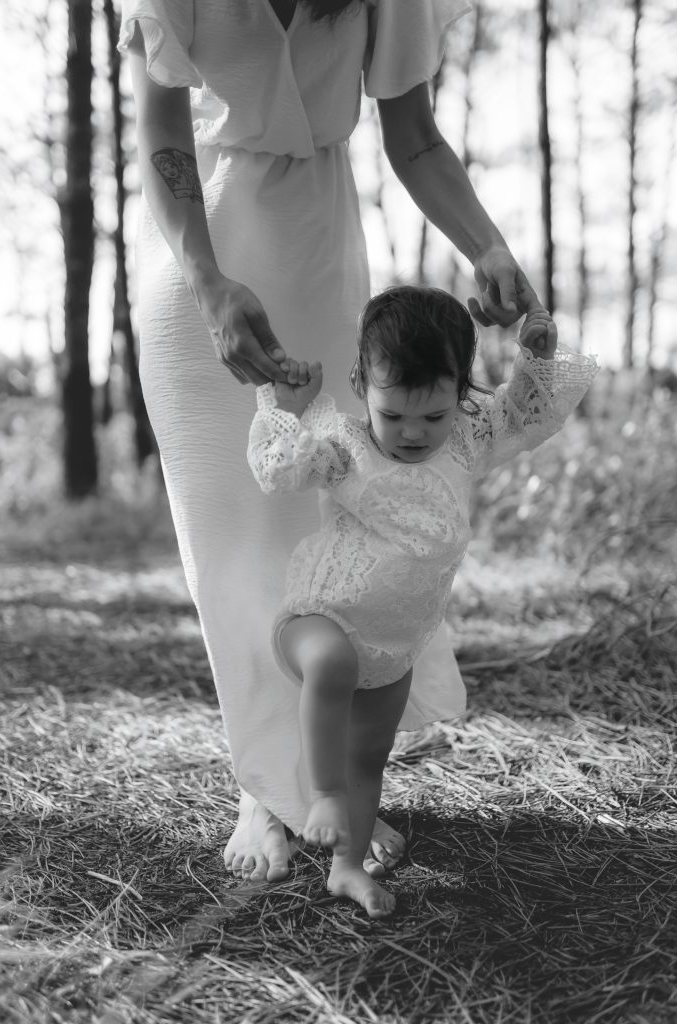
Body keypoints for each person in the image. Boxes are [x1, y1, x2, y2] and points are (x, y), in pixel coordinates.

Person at [119, 0, 548, 885]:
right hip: (194, 254)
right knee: (233, 537)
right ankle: (264, 784)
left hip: (317, 241)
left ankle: (329, 775)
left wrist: (488, 246)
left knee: (331, 512)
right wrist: (208, 281)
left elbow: (414, 137)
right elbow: (160, 127)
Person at [247, 285, 598, 916]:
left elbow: (525, 415)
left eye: (433, 417)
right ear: (362, 385)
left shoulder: (466, 439)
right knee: (332, 665)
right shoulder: (344, 446)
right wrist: (290, 410)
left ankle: (346, 868)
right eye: (393, 415)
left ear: (460, 394)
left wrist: (537, 360)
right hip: (321, 616)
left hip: (395, 642)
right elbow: (278, 471)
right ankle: (321, 796)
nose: (413, 433)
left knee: (370, 757)